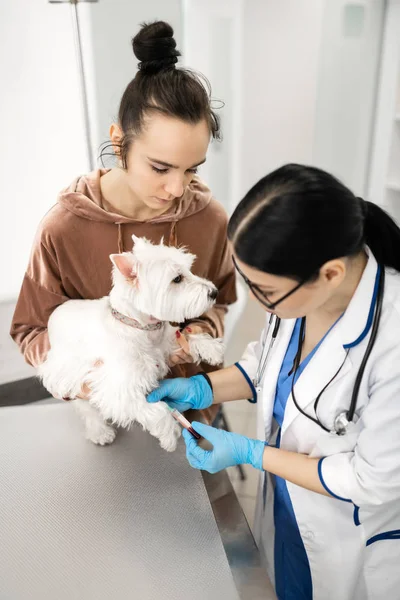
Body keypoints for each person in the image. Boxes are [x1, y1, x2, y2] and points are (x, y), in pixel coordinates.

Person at [147, 163, 400, 600]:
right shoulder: (298, 296)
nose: (261, 301)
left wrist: (250, 452)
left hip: (349, 541)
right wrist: (202, 389)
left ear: (331, 274)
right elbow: (265, 367)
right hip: (285, 514)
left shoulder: (392, 342)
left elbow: (369, 480)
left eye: (265, 291)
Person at [10, 21, 236, 422]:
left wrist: (199, 333)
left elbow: (219, 302)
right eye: (161, 167)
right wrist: (88, 383)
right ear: (119, 142)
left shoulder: (209, 218)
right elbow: (31, 331)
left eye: (191, 169)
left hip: (192, 412)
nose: (177, 188)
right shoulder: (62, 230)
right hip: (106, 415)